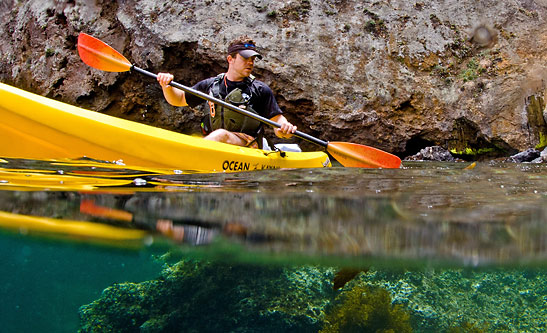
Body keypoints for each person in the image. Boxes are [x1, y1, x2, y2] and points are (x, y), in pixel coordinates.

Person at [156, 36, 297, 148]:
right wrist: (166, 86)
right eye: (245, 58)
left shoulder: (260, 89)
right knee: (216, 136)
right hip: (217, 145)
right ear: (230, 59)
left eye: (253, 59)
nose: (250, 63)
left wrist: (285, 128)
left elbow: (278, 122)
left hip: (248, 145)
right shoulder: (211, 85)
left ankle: (188, 154)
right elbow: (178, 99)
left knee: (221, 135)